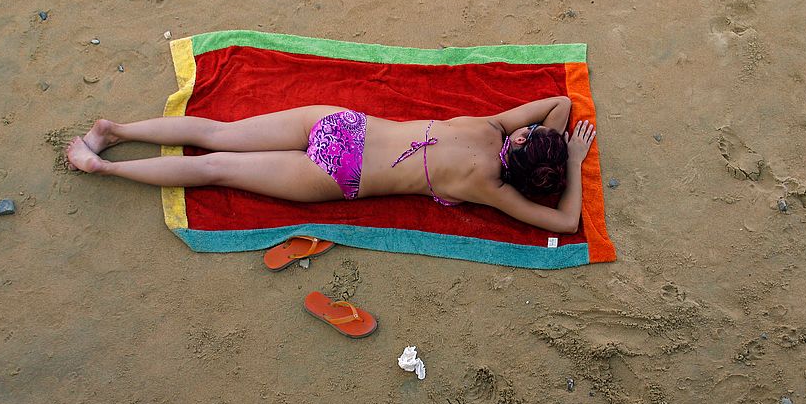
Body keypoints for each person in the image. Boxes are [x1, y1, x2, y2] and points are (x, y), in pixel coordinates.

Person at [65, 96, 596, 233]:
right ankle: (106, 168)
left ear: (523, 136)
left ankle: (116, 131)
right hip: (341, 175)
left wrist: (559, 144)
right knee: (215, 169)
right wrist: (568, 165)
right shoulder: (492, 187)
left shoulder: (490, 124)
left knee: (216, 134)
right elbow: (565, 221)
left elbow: (558, 104)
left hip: (343, 126)